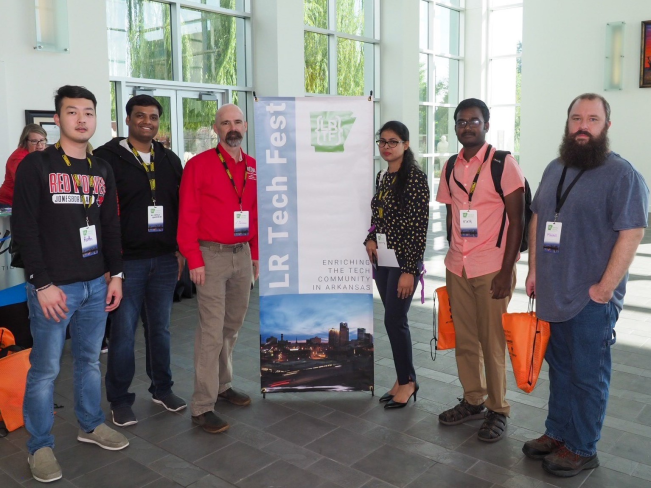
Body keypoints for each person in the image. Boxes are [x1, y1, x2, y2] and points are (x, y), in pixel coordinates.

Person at [522, 93, 649, 477]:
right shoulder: (554, 167)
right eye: (576, 118)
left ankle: (582, 446)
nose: (583, 125)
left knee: (588, 375)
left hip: (590, 298)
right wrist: (533, 270)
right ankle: (558, 433)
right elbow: (539, 218)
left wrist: (605, 289)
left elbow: (632, 232)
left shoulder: (622, 175)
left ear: (606, 127)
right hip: (553, 292)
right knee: (560, 369)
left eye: (592, 119)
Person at [12, 85, 127, 483]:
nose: (82, 119)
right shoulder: (37, 165)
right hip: (55, 289)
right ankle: (39, 447)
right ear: (57, 119)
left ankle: (91, 424)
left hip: (97, 284)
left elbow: (109, 226)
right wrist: (42, 284)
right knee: (44, 370)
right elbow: (24, 228)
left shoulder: (101, 168)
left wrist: (117, 274)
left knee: (90, 361)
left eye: (89, 112)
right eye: (72, 112)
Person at [435, 98, 524, 442]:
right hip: (458, 267)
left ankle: (498, 408)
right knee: (466, 340)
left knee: (492, 342)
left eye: (474, 121)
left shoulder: (503, 163)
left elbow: (517, 220)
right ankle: (473, 399)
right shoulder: (449, 166)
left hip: (492, 268)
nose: (467, 126)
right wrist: (453, 251)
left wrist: (506, 271)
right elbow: (452, 213)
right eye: (461, 121)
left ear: (486, 125)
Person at [94, 95, 186, 427]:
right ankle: (119, 399)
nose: (147, 121)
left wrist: (179, 251)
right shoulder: (107, 158)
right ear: (128, 119)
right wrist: (109, 263)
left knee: (160, 330)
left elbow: (180, 208)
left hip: (163, 260)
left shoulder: (169, 159)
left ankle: (162, 388)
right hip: (126, 263)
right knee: (122, 334)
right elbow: (99, 213)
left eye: (153, 117)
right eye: (139, 116)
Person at [178, 103, 258, 433]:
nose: (232, 127)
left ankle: (223, 385)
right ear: (216, 128)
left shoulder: (253, 168)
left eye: (237, 121)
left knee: (232, 325)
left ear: (246, 126)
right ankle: (201, 405)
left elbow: (255, 212)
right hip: (210, 256)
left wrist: (255, 255)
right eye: (225, 123)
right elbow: (187, 216)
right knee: (211, 331)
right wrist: (193, 259)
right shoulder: (198, 166)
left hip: (242, 255)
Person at [364, 121, 429, 409]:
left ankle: (409, 381)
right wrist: (370, 238)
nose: (386, 147)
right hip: (384, 260)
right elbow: (378, 215)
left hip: (403, 263)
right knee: (392, 320)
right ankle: (402, 379)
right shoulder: (383, 176)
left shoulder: (414, 178)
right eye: (382, 141)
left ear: (406, 144)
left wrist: (410, 270)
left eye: (393, 142)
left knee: (395, 320)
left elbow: (418, 229)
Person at [0, 124, 48, 206]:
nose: (39, 145)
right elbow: (27, 184)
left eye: (42, 140)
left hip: (25, 201)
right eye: (34, 141)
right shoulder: (19, 158)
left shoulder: (40, 154)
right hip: (9, 203)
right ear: (25, 141)